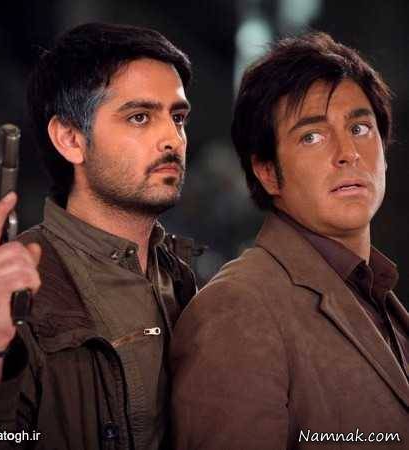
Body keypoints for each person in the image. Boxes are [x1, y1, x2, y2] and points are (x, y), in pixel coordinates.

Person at [0, 22, 197, 449]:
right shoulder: (7, 293)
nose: (172, 138)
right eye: (140, 117)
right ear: (70, 138)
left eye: (177, 117)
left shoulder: (180, 279)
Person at [171, 32, 408, 449]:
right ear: (267, 172)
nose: (348, 152)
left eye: (360, 128)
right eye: (312, 136)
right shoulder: (238, 308)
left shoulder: (378, 294)